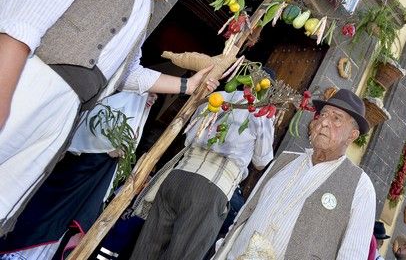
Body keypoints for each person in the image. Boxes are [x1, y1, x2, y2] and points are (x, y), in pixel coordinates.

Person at [0, 0, 216, 234]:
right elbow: (25, 14)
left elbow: (125, 73)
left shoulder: (145, 6)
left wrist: (188, 86)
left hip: (67, 111)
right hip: (29, 81)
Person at [213, 88, 376, 260]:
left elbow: (352, 255)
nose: (324, 122)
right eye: (323, 115)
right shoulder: (284, 161)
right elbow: (247, 211)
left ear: (352, 135)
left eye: (336, 118)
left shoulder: (360, 186)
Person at [0, 91, 156, 258]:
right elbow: (84, 139)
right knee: (40, 223)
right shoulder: (105, 111)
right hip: (64, 188)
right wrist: (104, 147)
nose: (154, 99)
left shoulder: (125, 127)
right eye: (151, 94)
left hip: (73, 200)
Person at [130, 81, 275, 260]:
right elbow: (262, 161)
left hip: (178, 176)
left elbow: (188, 137)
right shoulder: (262, 112)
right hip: (211, 188)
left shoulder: (216, 97)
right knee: (183, 255)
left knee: (147, 248)